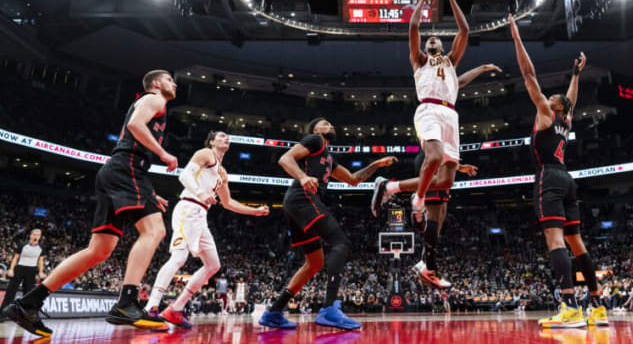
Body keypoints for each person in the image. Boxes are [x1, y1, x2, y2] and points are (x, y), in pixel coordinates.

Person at [3, 70, 178, 337]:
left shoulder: (152, 103)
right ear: (156, 84)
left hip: (121, 172)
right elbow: (134, 126)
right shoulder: (154, 98)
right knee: (156, 231)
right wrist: (164, 154)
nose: (174, 83)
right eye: (168, 79)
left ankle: (28, 303)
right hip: (125, 170)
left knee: (98, 251)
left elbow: (132, 149)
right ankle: (127, 303)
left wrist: (149, 191)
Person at [371, 0, 499, 222]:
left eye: (436, 39)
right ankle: (418, 200)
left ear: (442, 46)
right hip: (429, 109)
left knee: (446, 181)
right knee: (436, 157)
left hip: (451, 113)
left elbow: (464, 32)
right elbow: (414, 28)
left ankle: (389, 187)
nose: (431, 39)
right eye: (429, 40)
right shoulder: (420, 60)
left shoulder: (450, 62)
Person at [508, 14, 607, 328]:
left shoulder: (547, 115)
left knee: (555, 242)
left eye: (551, 98)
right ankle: (597, 305)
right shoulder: (566, 120)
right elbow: (573, 100)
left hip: (549, 178)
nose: (547, 96)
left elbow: (527, 73)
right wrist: (575, 74)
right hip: (568, 180)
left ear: (554, 106)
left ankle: (570, 306)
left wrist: (515, 37)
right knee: (578, 244)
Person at [259, 118, 397, 330]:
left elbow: (353, 180)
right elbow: (285, 159)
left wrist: (376, 164)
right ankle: (330, 308)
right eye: (325, 123)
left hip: (295, 203)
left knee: (314, 263)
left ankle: (274, 311)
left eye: (332, 124)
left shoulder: (328, 157)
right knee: (340, 242)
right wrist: (304, 177)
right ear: (315, 129)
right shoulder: (315, 141)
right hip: (301, 197)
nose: (331, 126)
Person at [144, 131, 269, 328]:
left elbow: (227, 203)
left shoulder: (223, 172)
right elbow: (185, 175)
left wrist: (254, 211)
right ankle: (151, 307)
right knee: (178, 258)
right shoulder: (205, 154)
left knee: (213, 265)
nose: (226, 138)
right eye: (221, 136)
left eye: (228, 137)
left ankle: (176, 309)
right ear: (211, 142)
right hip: (189, 206)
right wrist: (201, 193)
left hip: (201, 216)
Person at [410, 151, 477, 289]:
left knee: (441, 213)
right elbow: (438, 144)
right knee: (433, 213)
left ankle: (424, 262)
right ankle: (428, 267)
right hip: (433, 160)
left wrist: (457, 166)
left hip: (440, 162)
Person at [0, 229, 47, 317]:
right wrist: (11, 269)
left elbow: (40, 261)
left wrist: (41, 272)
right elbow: (15, 258)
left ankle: (25, 316)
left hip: (32, 270)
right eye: (34, 234)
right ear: (30, 235)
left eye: (38, 235)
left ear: (40, 237)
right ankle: (2, 314)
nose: (36, 236)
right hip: (20, 268)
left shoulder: (42, 247)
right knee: (11, 292)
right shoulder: (23, 245)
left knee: (28, 294)